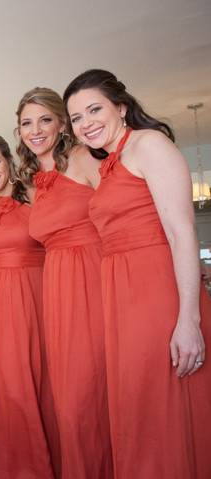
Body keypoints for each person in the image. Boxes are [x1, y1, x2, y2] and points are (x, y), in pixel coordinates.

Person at [65, 69, 211, 479]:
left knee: (160, 401)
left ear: (122, 107)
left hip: (153, 289)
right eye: (76, 117)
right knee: (136, 402)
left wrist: (189, 319)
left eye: (95, 109)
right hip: (120, 291)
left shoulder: (150, 145)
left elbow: (182, 233)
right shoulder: (111, 163)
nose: (86, 122)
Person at [17, 87, 111, 477]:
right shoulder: (32, 182)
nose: (35, 130)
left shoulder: (85, 158)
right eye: (26, 123)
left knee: (93, 393)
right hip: (57, 286)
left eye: (44, 119)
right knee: (70, 399)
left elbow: (123, 211)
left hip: (95, 277)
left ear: (62, 123)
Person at [0, 134, 55, 478]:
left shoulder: (36, 196)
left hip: (34, 292)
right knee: (4, 380)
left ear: (8, 161)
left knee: (36, 374)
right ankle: (13, 465)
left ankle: (46, 460)